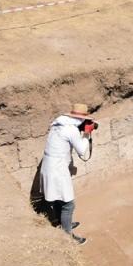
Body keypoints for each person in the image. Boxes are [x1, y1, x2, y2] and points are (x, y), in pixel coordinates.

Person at [40, 104, 97, 244]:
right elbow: (82, 150)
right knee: (68, 204)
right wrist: (87, 133)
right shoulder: (71, 130)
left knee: (60, 199)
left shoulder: (57, 124)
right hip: (57, 169)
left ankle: (64, 224)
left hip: (49, 166)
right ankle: (67, 236)